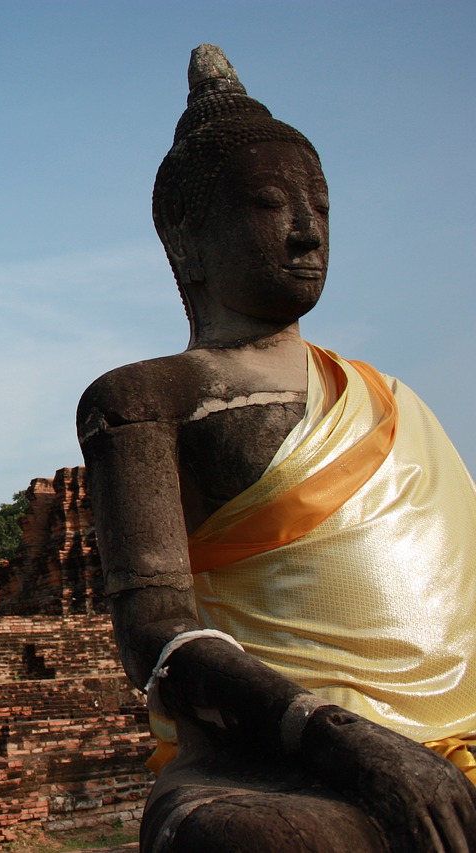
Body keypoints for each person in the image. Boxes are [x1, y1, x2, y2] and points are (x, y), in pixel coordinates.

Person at [76, 44, 476, 852]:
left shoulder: (390, 398)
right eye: (269, 203)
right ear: (187, 238)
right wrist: (343, 740)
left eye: (321, 207)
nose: (306, 232)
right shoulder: (144, 399)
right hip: (277, 758)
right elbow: (153, 631)